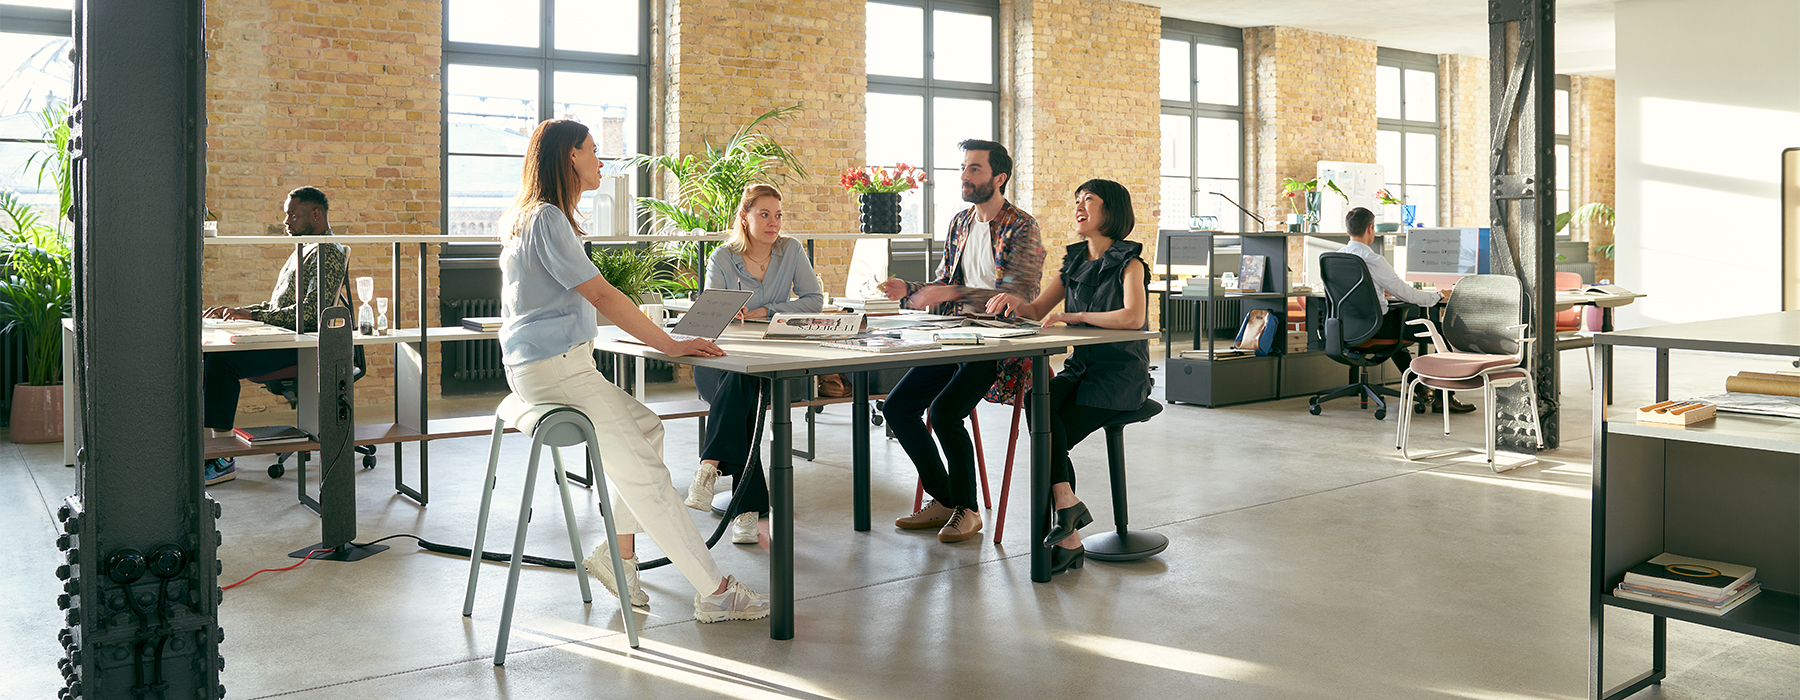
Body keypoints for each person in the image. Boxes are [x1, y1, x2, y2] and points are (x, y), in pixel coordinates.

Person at [498, 118, 768, 623]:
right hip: (558, 371)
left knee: (648, 427)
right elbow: (600, 294)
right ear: (568, 158)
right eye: (593, 151)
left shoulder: (530, 218)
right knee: (648, 477)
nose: (601, 161)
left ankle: (616, 556)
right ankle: (715, 590)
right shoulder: (549, 219)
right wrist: (669, 344)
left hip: (547, 366)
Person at [879, 139, 1044, 543]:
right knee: (898, 408)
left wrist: (953, 295)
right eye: (963, 168)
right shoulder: (959, 222)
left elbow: (1021, 295)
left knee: (945, 411)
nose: (965, 177)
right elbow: (945, 284)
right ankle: (946, 498)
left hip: (1000, 342)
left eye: (975, 169)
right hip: (954, 336)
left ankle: (967, 510)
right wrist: (910, 287)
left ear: (999, 177)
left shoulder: (1023, 226)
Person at [986, 179, 1150, 575]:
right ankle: (1068, 514)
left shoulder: (1131, 264)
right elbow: (1037, 308)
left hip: (1118, 378)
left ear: (1110, 211)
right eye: (1076, 200)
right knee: (1036, 405)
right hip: (1079, 372)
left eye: (1088, 201)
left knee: (1047, 435)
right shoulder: (1074, 264)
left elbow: (1133, 317)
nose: (1079, 207)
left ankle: (1067, 532)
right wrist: (1014, 301)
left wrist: (1075, 317)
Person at [684, 183, 824, 545]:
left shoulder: (790, 250)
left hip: (766, 360)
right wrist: (727, 311)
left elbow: (813, 301)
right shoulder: (721, 257)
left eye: (778, 215)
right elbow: (711, 311)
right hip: (718, 363)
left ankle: (710, 468)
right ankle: (745, 511)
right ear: (745, 219)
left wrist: (767, 310)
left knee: (746, 383)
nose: (773, 222)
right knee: (741, 382)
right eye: (764, 214)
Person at [199, 186, 348, 486]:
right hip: (284, 336)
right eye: (286, 215)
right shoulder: (303, 250)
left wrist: (256, 317)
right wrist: (241, 311)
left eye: (294, 215)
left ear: (316, 215)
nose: (287, 222)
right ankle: (209, 447)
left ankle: (223, 458)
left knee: (220, 362)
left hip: (303, 345)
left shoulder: (327, 252)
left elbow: (311, 314)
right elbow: (278, 307)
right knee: (209, 353)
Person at [1338, 207, 1471, 413]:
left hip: (1347, 328)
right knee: (1439, 332)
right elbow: (1407, 295)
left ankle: (1420, 389)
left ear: (1348, 230)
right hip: (1377, 327)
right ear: (1371, 228)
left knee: (1398, 339)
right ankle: (1443, 399)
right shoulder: (1373, 259)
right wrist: (1438, 296)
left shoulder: (1336, 257)